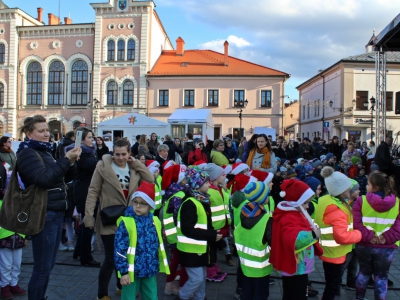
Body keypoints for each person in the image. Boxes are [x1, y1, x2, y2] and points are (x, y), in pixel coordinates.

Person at [16, 115, 81, 300]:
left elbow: (61, 177)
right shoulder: (28, 153)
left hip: (54, 211)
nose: (47, 134)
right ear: (29, 133)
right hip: (44, 213)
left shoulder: (44, 151)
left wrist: (71, 162)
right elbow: (43, 179)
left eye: (47, 130)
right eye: (41, 131)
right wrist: (65, 160)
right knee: (42, 267)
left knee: (48, 265)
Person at [84, 139, 153, 300]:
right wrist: (89, 216)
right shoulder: (102, 167)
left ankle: (121, 286)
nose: (120, 157)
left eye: (124, 154)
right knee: (111, 258)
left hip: (129, 220)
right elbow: (93, 191)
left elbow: (150, 179)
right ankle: (102, 294)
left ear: (129, 154)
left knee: (125, 255)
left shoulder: (133, 168)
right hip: (109, 218)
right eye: (117, 154)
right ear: (112, 153)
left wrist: (136, 163)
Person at [114, 181, 170, 300]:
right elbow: (119, 249)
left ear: (150, 206)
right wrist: (123, 272)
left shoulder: (155, 221)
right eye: (136, 202)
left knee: (151, 297)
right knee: (128, 297)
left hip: (149, 269)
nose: (138, 206)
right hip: (131, 271)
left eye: (143, 204)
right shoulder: (127, 222)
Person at [270, 179, 323, 300]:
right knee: (297, 295)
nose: (308, 206)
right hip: (296, 266)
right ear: (296, 202)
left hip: (296, 265)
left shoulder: (292, 213)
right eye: (305, 203)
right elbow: (293, 239)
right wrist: (313, 235)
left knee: (289, 294)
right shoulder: (290, 216)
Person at [315, 167, 362, 300]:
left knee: (331, 283)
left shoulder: (327, 201)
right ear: (340, 190)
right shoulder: (337, 211)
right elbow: (341, 236)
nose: (350, 189)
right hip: (335, 254)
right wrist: (359, 234)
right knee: (332, 285)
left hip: (327, 251)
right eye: (348, 188)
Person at [352, 172, 400, 300]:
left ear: (375, 187)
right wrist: (386, 238)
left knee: (363, 273)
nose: (366, 187)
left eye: (368, 184)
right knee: (382, 277)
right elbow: (398, 226)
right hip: (387, 247)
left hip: (364, 244)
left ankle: (359, 298)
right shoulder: (398, 203)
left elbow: (356, 223)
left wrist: (369, 236)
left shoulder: (361, 201)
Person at [176, 167, 222, 300]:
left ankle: (200, 297)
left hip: (199, 249)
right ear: (197, 184)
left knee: (201, 278)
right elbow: (187, 229)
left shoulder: (201, 200)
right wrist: (211, 235)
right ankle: (182, 297)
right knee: (197, 279)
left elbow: (203, 224)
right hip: (191, 250)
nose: (209, 185)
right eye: (206, 182)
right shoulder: (190, 203)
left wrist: (213, 233)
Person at [235, 181, 274, 300]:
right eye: (267, 194)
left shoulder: (244, 212)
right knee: (260, 295)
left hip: (245, 265)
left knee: (247, 294)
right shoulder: (267, 219)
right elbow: (273, 242)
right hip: (261, 268)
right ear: (262, 198)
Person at [68, 127, 101, 266]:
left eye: (92, 137)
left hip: (87, 191)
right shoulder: (81, 154)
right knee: (88, 223)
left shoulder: (89, 153)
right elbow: (94, 166)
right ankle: (85, 257)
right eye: (89, 138)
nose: (92, 140)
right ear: (81, 140)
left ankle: (79, 251)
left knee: (85, 223)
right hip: (84, 192)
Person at [0, 160, 27, 299]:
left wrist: (25, 236)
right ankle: (4, 286)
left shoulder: (20, 201)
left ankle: (13, 284)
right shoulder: (1, 202)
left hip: (18, 236)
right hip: (4, 237)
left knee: (17, 263)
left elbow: (24, 219)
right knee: (6, 264)